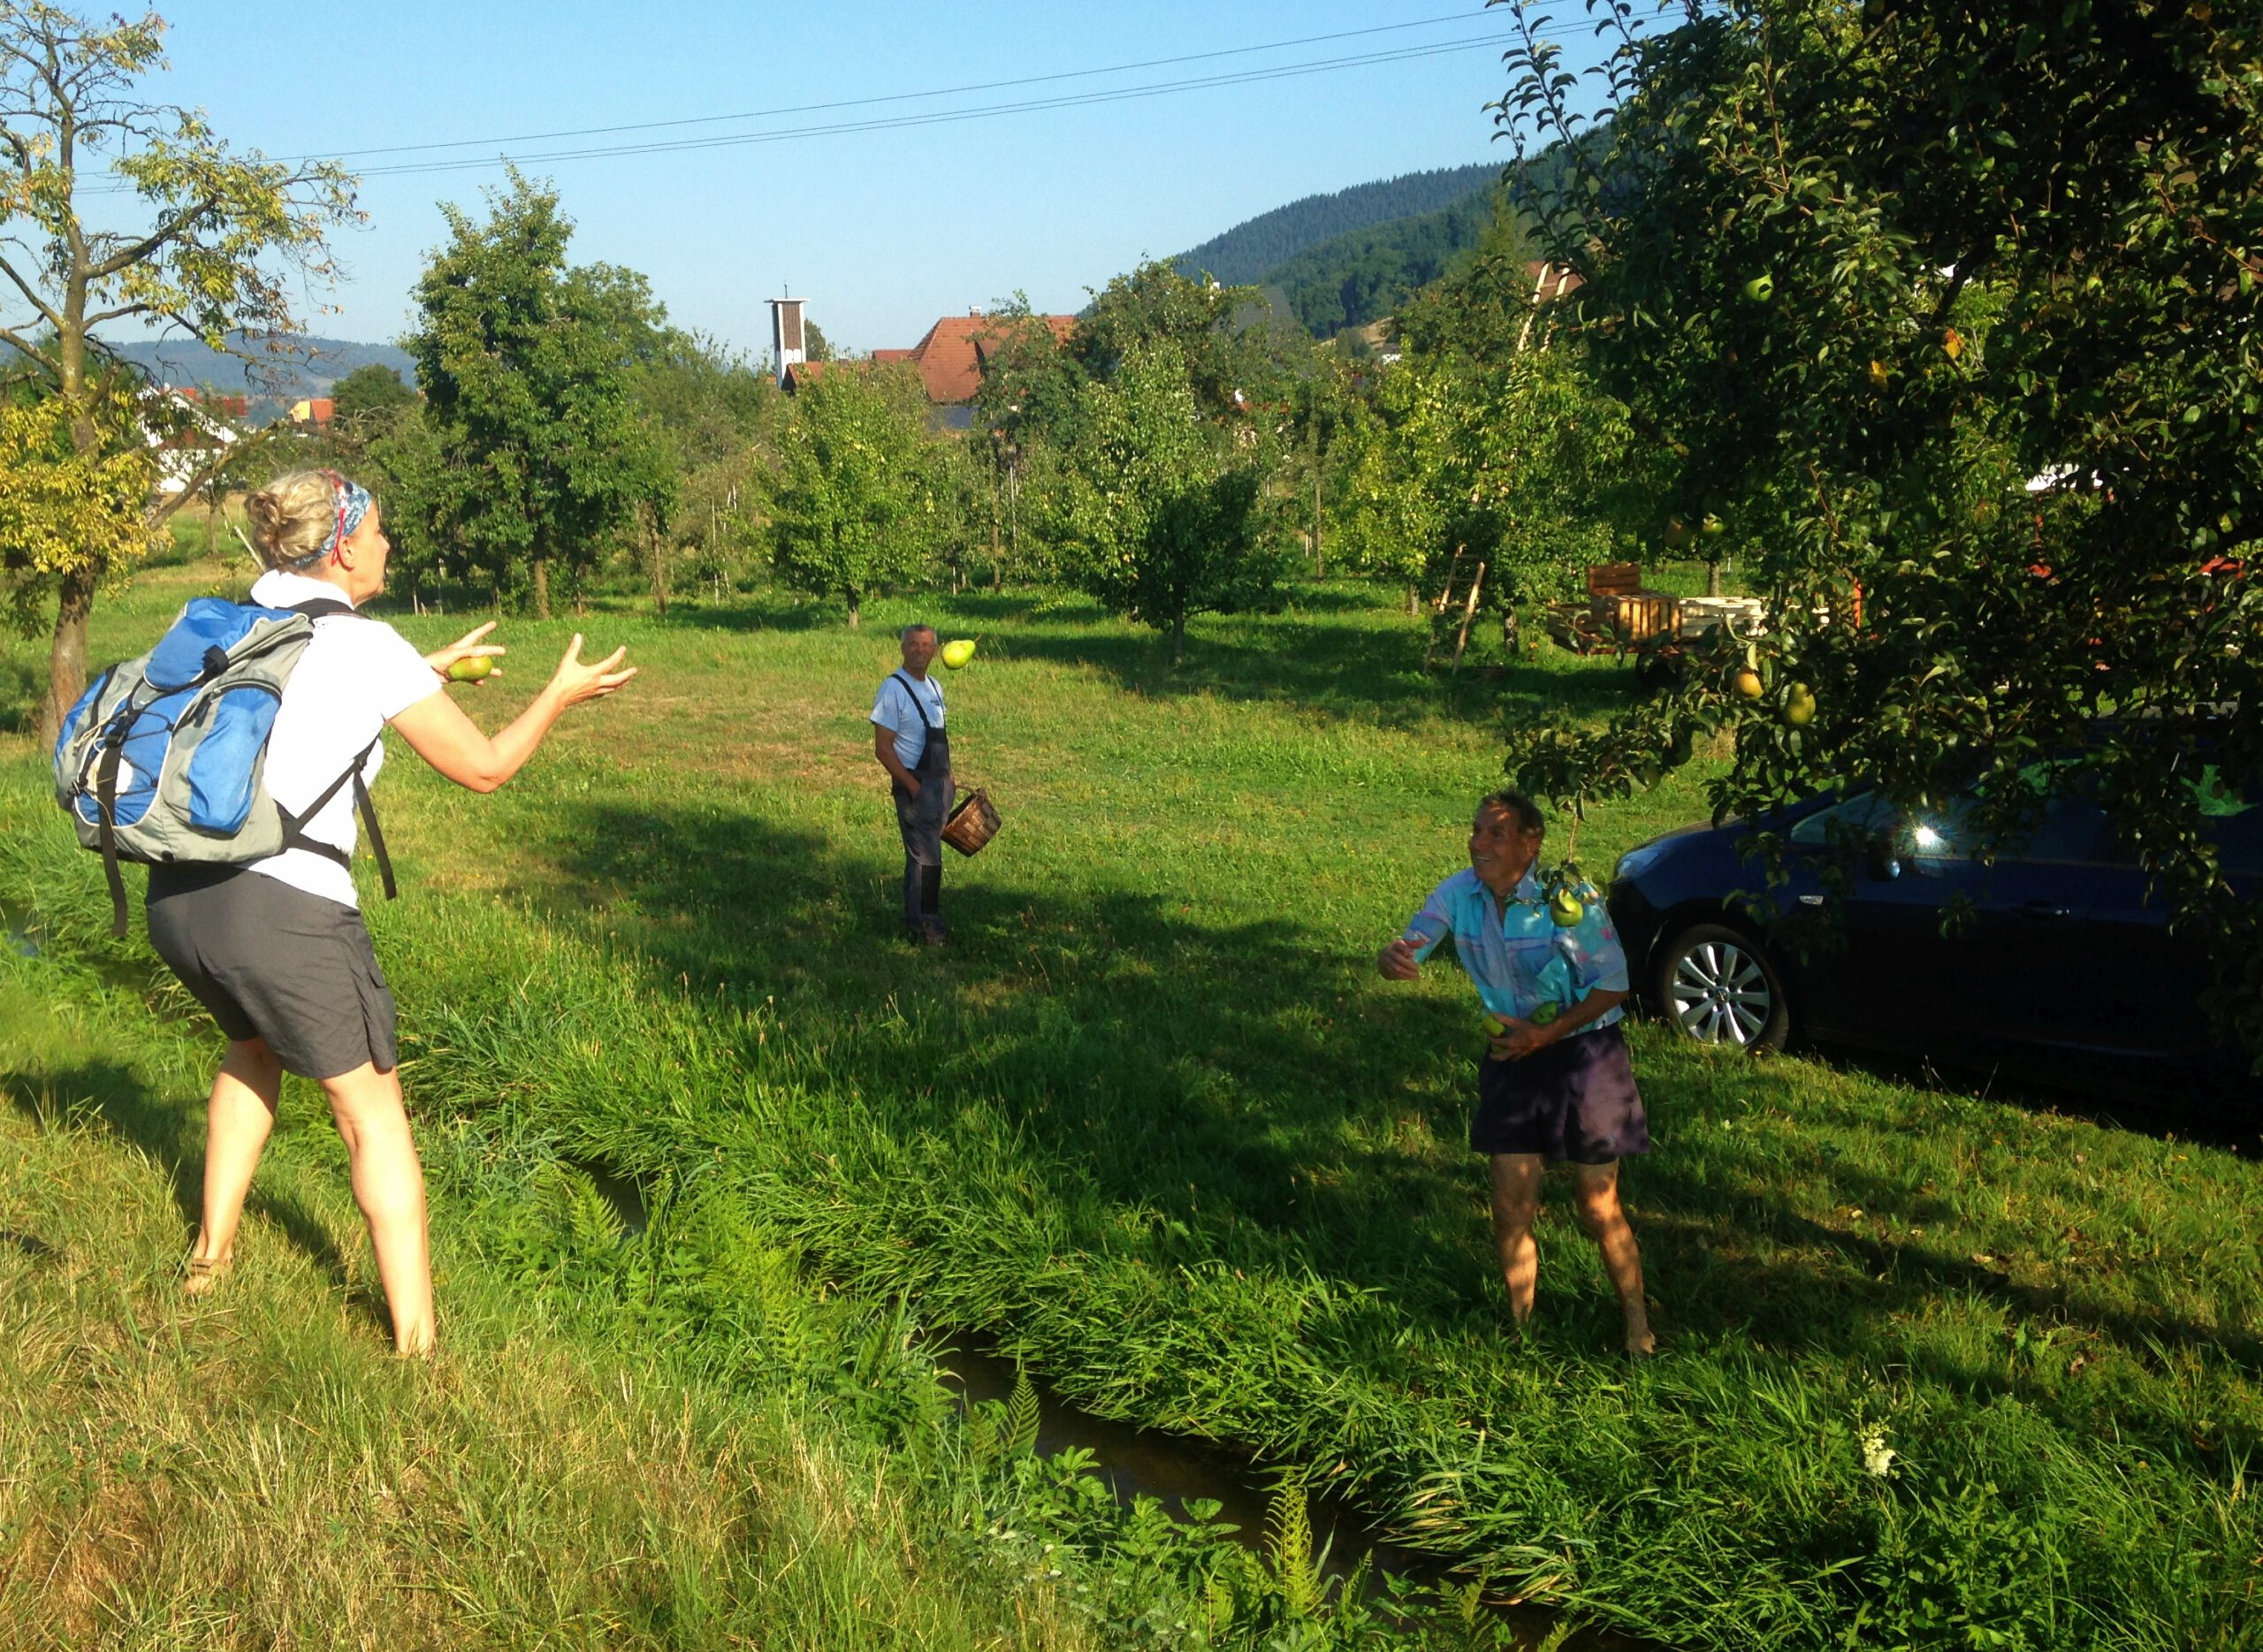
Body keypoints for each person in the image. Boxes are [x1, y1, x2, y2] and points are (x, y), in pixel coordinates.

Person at [149, 468, 636, 1356]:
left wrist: (424, 670)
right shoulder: (365, 647)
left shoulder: (241, 617)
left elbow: (291, 709)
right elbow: (485, 768)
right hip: (281, 909)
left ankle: (209, 1264)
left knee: (250, 1051)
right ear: (339, 546)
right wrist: (557, 696)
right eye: (376, 532)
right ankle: (416, 1349)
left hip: (180, 894)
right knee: (372, 1115)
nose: (385, 545)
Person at [1377, 789, 1657, 1355]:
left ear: (1530, 844)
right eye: (1476, 830)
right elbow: (1417, 935)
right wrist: (1396, 955)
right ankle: (1523, 1334)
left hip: (1585, 1053)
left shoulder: (1566, 897)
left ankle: (1638, 1330)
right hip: (1512, 1055)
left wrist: (1546, 1035)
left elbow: (1614, 984)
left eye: (1495, 834)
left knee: (1598, 1207)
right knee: (1510, 1206)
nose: (1478, 843)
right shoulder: (1461, 893)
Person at [870, 622, 955, 945]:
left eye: (926, 645)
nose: (920, 650)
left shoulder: (935, 687)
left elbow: (939, 737)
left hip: (940, 786)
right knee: (927, 860)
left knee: (921, 857)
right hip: (916, 787)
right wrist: (912, 785)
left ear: (935, 649)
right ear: (903, 648)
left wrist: (950, 779)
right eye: (913, 645)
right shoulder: (892, 689)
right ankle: (927, 928)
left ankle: (914, 917)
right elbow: (882, 748)